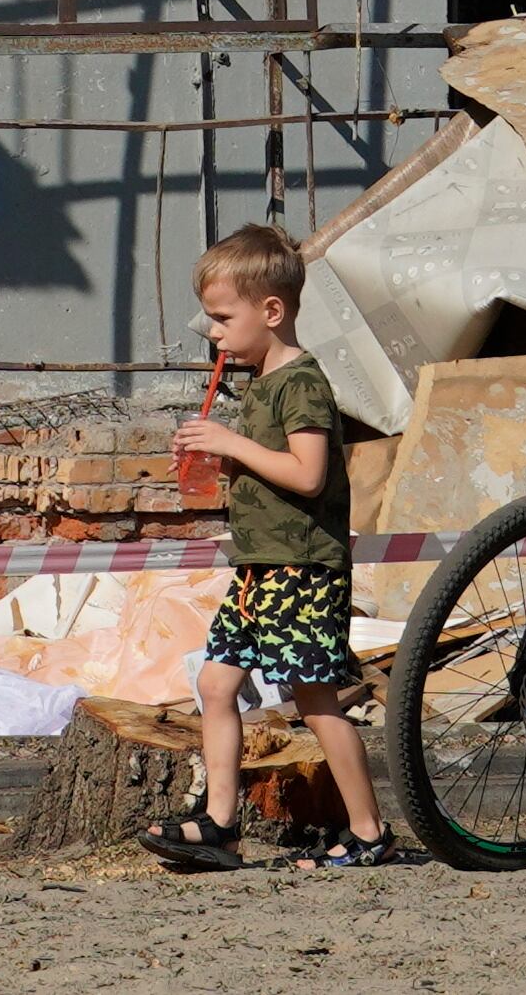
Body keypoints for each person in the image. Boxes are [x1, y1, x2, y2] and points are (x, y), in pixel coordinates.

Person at [140, 224, 402, 872]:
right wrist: (220, 463)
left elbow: (308, 474)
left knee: (314, 700)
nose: (215, 332)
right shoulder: (259, 386)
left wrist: (231, 446)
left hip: (302, 570)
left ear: (272, 311)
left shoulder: (301, 384)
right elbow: (274, 473)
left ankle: (369, 831)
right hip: (261, 571)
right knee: (215, 682)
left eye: (223, 317)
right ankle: (221, 824)